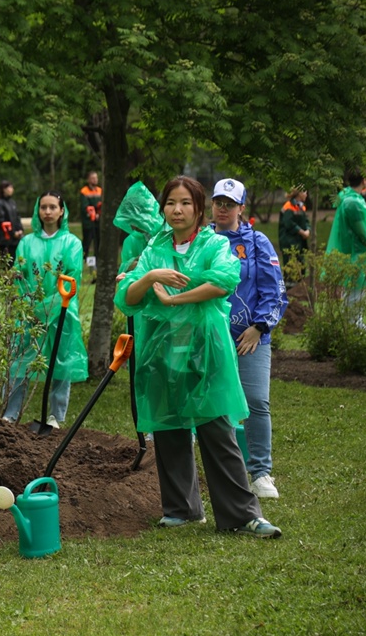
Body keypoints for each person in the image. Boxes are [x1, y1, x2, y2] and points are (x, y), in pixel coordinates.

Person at [114, 175, 282, 538]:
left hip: (206, 350)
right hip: (162, 350)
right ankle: (182, 509)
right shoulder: (155, 250)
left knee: (217, 428)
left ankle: (241, 513)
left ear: (199, 209)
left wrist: (173, 297)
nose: (177, 209)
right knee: (170, 425)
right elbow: (128, 295)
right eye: (171, 203)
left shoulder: (212, 243)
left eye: (186, 203)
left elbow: (223, 280)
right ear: (163, 209)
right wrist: (150, 277)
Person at [211, 178, 288, 499]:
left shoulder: (258, 243)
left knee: (256, 401)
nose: (223, 208)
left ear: (242, 208)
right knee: (215, 405)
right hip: (211, 335)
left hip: (251, 337)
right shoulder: (202, 240)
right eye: (218, 202)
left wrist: (259, 327)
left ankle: (260, 472)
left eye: (230, 203)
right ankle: (225, 473)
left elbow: (275, 292)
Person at [2, 191, 87, 426]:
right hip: (29, 314)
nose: (47, 212)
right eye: (43, 207)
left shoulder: (72, 243)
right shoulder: (27, 243)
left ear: (62, 211)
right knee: (20, 362)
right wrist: (33, 309)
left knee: (61, 363)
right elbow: (21, 277)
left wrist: (48, 309)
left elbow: (71, 278)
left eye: (52, 207)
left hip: (62, 311)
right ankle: (10, 414)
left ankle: (55, 417)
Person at [327, 168, 366, 323]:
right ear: (364, 180)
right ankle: (354, 325)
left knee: (352, 294)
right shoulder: (354, 203)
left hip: (350, 252)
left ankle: (353, 324)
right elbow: (364, 232)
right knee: (356, 294)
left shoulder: (346, 197)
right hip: (357, 254)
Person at [278, 187, 311, 285]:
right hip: (289, 242)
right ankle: (289, 290)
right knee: (290, 266)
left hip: (299, 242)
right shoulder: (288, 207)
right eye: (304, 191)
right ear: (299, 193)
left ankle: (300, 287)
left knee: (301, 265)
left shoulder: (302, 207)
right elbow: (289, 224)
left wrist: (308, 230)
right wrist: (302, 232)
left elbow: (306, 221)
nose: (306, 194)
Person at [0, 180, 24, 265]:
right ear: (3, 189)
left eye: (11, 187)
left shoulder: (12, 202)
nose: (11, 189)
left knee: (15, 260)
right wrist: (12, 233)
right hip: (5, 238)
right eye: (9, 187)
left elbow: (17, 218)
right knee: (6, 262)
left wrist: (20, 229)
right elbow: (1, 221)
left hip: (15, 239)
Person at [79, 170, 102, 267]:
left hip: (98, 221)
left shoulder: (100, 190)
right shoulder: (84, 191)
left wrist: (99, 213)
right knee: (87, 241)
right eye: (93, 178)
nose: (95, 180)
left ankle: (98, 259)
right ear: (88, 180)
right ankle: (83, 259)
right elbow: (85, 206)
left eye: (96, 178)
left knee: (98, 240)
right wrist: (93, 214)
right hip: (88, 222)